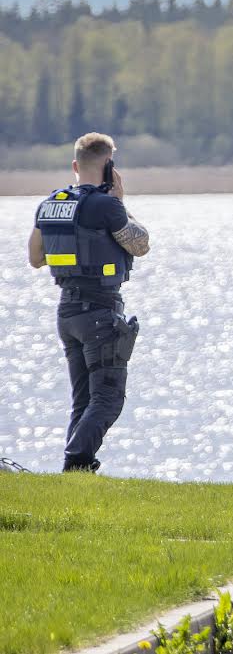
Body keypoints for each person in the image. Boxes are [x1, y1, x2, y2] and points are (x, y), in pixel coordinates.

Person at [28, 133, 150, 472]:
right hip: (100, 312)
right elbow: (140, 245)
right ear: (110, 165)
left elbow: (35, 257)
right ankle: (76, 461)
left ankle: (75, 473)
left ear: (74, 165)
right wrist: (121, 200)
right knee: (108, 399)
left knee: (83, 398)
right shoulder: (107, 206)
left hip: (66, 312)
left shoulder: (50, 204)